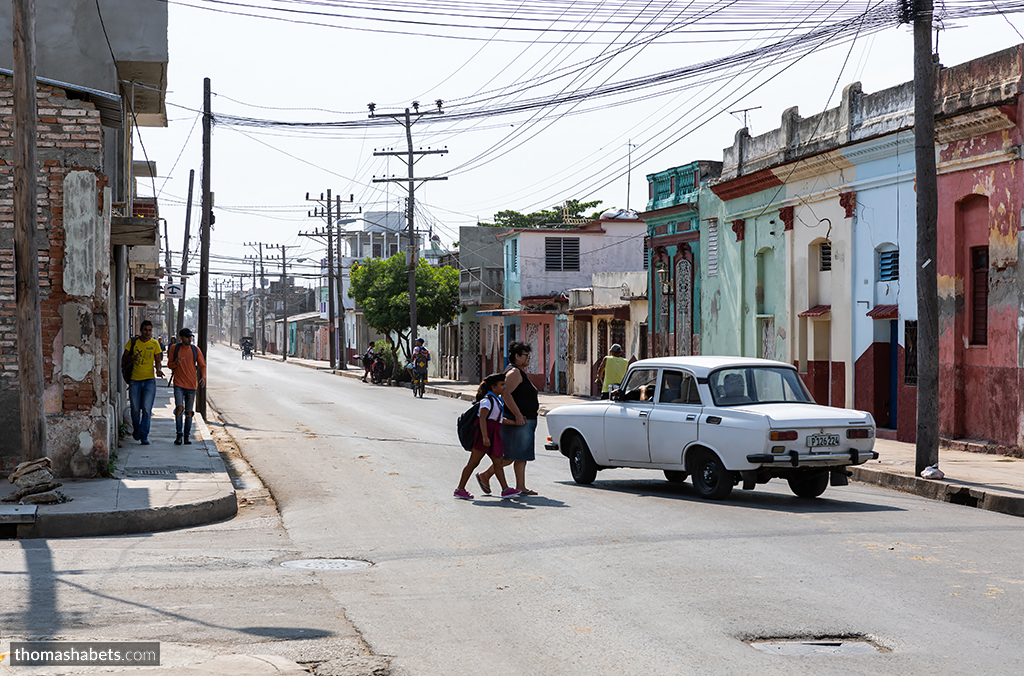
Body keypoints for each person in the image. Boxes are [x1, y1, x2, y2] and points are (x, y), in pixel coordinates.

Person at [477, 341, 539, 496]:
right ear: (516, 356)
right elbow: (505, 393)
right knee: (510, 456)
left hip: (525, 420)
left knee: (520, 455)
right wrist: (517, 414)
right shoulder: (515, 373)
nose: (528, 358)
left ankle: (521, 487)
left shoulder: (518, 372)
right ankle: (485, 475)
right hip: (517, 421)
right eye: (525, 355)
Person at [454, 373, 520, 500]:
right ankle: (460, 489)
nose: (504, 387)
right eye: (502, 385)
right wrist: (484, 437)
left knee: (498, 462)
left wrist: (516, 423)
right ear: (493, 387)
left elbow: (500, 419)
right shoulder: (487, 401)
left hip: (494, 436)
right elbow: (483, 419)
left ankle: (505, 489)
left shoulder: (497, 400)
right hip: (485, 436)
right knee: (473, 463)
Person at [121, 320, 164, 445]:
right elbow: (124, 358)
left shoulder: (155, 343)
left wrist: (159, 370)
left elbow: (157, 360)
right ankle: (136, 429)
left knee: (146, 409)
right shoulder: (133, 342)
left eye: (150, 330)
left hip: (149, 381)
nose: (148, 333)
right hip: (135, 381)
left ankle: (144, 435)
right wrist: (132, 357)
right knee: (135, 409)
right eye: (145, 330)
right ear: (141, 330)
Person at [167, 327, 207, 445]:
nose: (190, 339)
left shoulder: (195, 350)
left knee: (189, 412)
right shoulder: (175, 348)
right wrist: (176, 363)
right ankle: (179, 434)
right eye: (187, 337)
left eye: (191, 337)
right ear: (181, 338)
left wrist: (203, 377)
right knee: (179, 408)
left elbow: (202, 365)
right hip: (179, 384)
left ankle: (187, 436)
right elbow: (169, 365)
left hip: (191, 384)